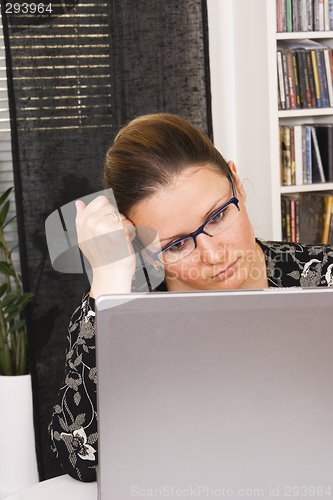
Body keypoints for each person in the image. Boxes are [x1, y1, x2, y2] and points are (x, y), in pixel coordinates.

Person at [49, 113, 333, 482]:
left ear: (237, 185)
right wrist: (109, 282)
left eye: (217, 217)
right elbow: (78, 460)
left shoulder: (324, 276)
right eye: (178, 244)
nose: (213, 255)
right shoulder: (116, 315)